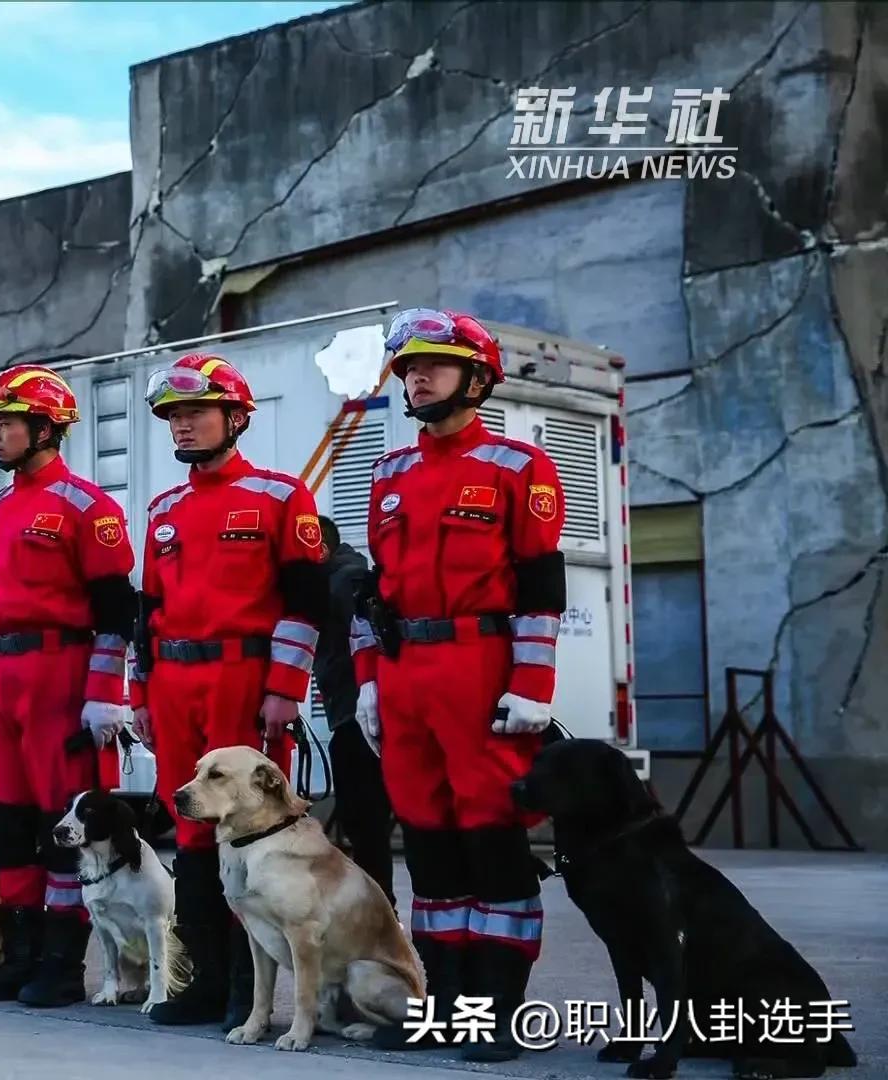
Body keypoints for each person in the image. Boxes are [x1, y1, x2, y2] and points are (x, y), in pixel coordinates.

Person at [351, 308, 566, 1060]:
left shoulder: (518, 467)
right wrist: (369, 679)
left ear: (477, 378)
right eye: (408, 366)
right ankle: (445, 1007)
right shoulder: (389, 474)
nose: (416, 375)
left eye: (433, 364)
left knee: (491, 838)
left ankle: (497, 1010)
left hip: (480, 671)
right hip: (406, 674)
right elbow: (374, 592)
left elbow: (541, 587)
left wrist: (532, 682)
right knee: (431, 843)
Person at [130, 353, 328, 1027]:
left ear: (237, 418)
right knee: (189, 830)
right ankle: (206, 983)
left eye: (195, 413)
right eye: (174, 416)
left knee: (250, 833)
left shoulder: (279, 496)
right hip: (174, 682)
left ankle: (254, 989)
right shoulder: (163, 510)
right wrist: (139, 695)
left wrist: (285, 688)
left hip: (245, 679)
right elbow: (145, 614)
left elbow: (305, 604)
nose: (181, 426)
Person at [0, 364, 136, 1009]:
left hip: (58, 674)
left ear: (44, 427)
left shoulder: (87, 506)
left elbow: (116, 611)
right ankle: (21, 951)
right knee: (6, 823)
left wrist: (103, 692)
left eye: (5, 424)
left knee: (60, 823)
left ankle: (62, 962)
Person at [317, 517, 394, 904]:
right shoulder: (343, 575)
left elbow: (368, 635)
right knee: (367, 822)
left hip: (358, 717)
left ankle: (378, 910)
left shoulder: (344, 581)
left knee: (365, 823)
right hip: (356, 711)